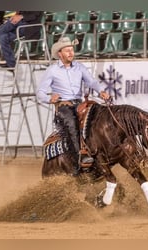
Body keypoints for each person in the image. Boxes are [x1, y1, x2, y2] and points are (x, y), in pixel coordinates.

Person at [36, 37, 110, 177]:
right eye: (67, 50)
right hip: (64, 106)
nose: (71, 53)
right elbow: (40, 92)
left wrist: (101, 91)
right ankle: (79, 159)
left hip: (79, 104)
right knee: (71, 124)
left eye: (72, 50)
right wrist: (49, 99)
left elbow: (92, 82)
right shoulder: (52, 70)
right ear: (60, 53)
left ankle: (105, 155)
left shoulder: (79, 67)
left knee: (100, 120)